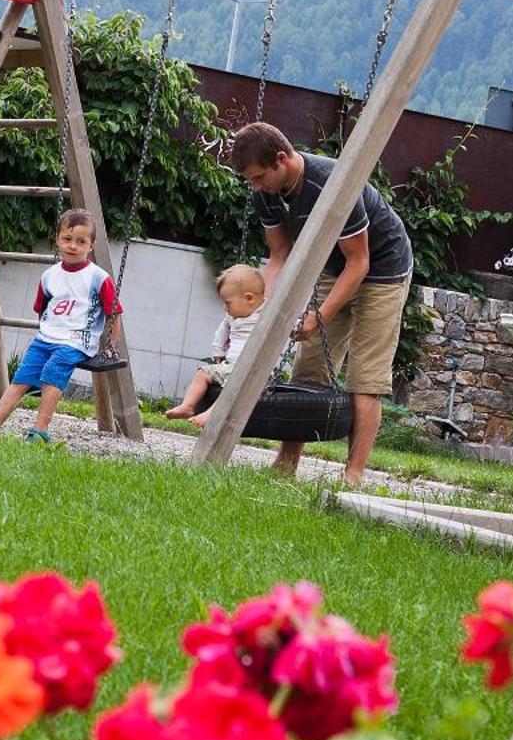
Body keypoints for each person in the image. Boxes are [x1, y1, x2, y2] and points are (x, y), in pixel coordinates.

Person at [228, 122, 413, 485]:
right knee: (308, 367)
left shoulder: (330, 183)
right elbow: (280, 253)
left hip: (383, 268)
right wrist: (261, 308)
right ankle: (287, 462)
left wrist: (320, 316)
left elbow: (360, 263)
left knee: (365, 377)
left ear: (282, 159)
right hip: (335, 264)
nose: (256, 186)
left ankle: (353, 474)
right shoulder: (265, 191)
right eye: (250, 180)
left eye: (259, 177)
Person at [0, 209, 122, 443]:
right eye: (67, 239)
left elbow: (114, 313)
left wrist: (109, 347)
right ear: (57, 239)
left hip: (77, 341)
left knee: (52, 373)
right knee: (22, 378)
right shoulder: (50, 276)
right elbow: (42, 308)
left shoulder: (98, 278)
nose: (72, 246)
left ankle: (41, 431)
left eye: (81, 241)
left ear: (91, 245)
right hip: (46, 338)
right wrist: (46, 331)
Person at [167, 263, 265, 425]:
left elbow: (287, 321)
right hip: (230, 365)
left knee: (233, 386)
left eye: (228, 303)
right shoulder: (231, 317)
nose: (225, 308)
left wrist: (299, 325)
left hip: (252, 371)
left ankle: (212, 414)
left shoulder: (268, 313)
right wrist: (218, 352)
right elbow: (221, 334)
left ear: (249, 298)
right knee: (202, 373)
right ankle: (188, 406)